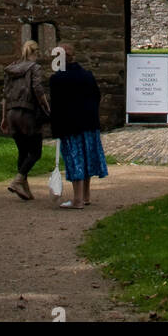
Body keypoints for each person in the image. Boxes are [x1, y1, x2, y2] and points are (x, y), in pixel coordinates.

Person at [49, 41, 108, 210]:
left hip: (70, 126)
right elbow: (97, 96)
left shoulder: (57, 79)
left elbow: (56, 106)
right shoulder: (87, 75)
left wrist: (55, 127)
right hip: (89, 124)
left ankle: (77, 200)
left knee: (75, 160)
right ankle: (86, 196)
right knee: (87, 158)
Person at [1, 38, 50, 200]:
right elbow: (37, 88)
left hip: (11, 113)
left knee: (23, 151)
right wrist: (46, 106)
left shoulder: (11, 69)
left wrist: (4, 117)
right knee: (36, 152)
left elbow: (5, 95)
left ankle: (25, 189)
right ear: (36, 52)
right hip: (27, 114)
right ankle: (18, 181)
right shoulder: (34, 68)